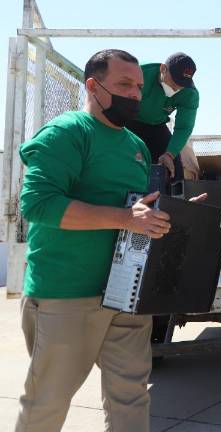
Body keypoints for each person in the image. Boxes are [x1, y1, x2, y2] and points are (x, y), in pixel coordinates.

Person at [14, 49, 173, 432]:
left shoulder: (135, 145)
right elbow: (38, 204)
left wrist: (172, 215)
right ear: (93, 85)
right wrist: (124, 218)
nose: (135, 94)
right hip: (66, 295)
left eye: (137, 86)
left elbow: (130, 209)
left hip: (125, 294)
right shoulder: (67, 133)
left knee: (131, 398)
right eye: (123, 84)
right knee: (46, 404)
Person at [126, 52, 199, 182]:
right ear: (163, 69)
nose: (176, 87)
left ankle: (174, 200)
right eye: (174, 81)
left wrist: (169, 154)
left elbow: (184, 127)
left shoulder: (189, 94)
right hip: (126, 121)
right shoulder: (139, 74)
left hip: (156, 125)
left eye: (182, 84)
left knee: (174, 166)